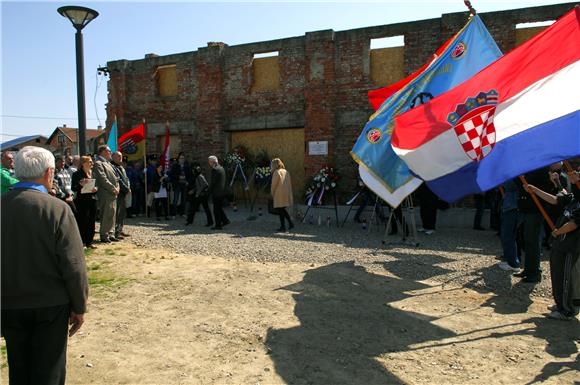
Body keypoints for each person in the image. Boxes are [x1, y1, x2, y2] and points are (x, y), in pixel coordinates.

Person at [1, 146, 88, 385]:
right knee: (49, 370)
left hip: (9, 304)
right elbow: (73, 264)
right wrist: (79, 306)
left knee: (19, 368)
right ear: (49, 173)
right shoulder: (57, 208)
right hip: (51, 306)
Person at [526, 168, 579, 320]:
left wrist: (558, 232)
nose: (573, 174)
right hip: (560, 244)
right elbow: (557, 198)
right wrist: (535, 190)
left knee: (566, 277)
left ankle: (566, 310)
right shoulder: (574, 198)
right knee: (557, 274)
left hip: (570, 245)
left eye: (577, 174)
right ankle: (560, 303)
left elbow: (575, 223)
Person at [514, 168, 553, 283]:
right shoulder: (529, 169)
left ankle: (535, 272)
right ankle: (528, 269)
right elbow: (520, 185)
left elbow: (543, 188)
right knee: (527, 240)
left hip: (535, 209)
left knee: (533, 241)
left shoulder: (541, 169)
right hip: (526, 208)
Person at [93, 145, 120, 243]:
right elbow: (102, 178)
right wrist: (113, 188)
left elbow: (116, 178)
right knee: (106, 214)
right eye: (109, 151)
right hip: (105, 193)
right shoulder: (98, 163)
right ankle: (104, 234)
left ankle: (111, 233)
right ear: (103, 152)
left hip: (113, 193)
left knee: (112, 214)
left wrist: (117, 188)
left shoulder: (109, 163)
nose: (110, 153)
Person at [71, 156, 98, 249]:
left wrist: (96, 189)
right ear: (83, 163)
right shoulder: (77, 174)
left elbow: (97, 186)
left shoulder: (93, 173)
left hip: (92, 200)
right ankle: (82, 242)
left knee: (91, 221)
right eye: (90, 162)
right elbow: (73, 188)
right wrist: (80, 185)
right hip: (82, 201)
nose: (92, 163)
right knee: (83, 221)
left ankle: (89, 242)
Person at [498, 179, 521, 272]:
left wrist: (500, 178)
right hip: (510, 206)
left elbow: (511, 185)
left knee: (508, 236)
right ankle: (511, 260)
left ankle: (513, 263)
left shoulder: (516, 173)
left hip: (512, 207)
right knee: (509, 236)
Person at [271, 158, 294, 232]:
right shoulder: (286, 171)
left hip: (279, 194)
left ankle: (283, 226)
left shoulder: (276, 172)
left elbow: (274, 184)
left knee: (280, 210)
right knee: (282, 209)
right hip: (286, 193)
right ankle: (290, 223)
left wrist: (272, 193)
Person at [112, 151, 131, 239]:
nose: (120, 158)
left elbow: (126, 179)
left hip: (123, 192)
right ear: (113, 157)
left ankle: (120, 229)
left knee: (122, 213)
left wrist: (128, 187)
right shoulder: (113, 167)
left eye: (121, 156)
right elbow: (118, 180)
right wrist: (126, 189)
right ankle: (116, 232)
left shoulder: (121, 167)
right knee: (117, 213)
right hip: (118, 193)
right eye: (118, 156)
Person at [208, 155, 230, 230]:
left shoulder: (215, 170)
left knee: (216, 210)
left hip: (216, 192)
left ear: (212, 162)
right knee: (219, 208)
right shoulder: (221, 168)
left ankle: (218, 225)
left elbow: (213, 182)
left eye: (209, 162)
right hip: (222, 191)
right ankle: (225, 220)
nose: (209, 164)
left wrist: (208, 191)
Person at [170, 152, 191, 218]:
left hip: (184, 184)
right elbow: (172, 175)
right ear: (178, 159)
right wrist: (178, 177)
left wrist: (188, 181)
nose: (182, 160)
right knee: (175, 199)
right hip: (177, 184)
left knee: (183, 199)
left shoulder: (187, 166)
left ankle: (182, 213)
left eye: (183, 158)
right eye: (181, 158)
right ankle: (173, 214)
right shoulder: (175, 166)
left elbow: (190, 176)